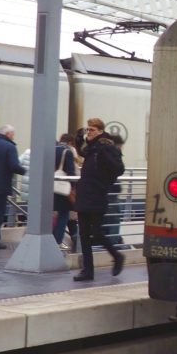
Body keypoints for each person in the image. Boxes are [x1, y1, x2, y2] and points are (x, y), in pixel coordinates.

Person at [73, 118, 125, 281]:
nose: (89, 133)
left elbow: (119, 168)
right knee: (84, 234)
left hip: (96, 195)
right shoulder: (91, 147)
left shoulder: (105, 147)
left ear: (100, 131)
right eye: (87, 129)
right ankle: (88, 271)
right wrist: (79, 136)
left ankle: (117, 256)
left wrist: (104, 182)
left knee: (96, 233)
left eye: (92, 130)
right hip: (85, 195)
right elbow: (82, 152)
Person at [52, 133, 78, 249]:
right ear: (70, 143)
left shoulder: (52, 149)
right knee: (64, 214)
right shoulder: (67, 152)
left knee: (53, 214)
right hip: (62, 188)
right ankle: (57, 241)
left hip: (51, 186)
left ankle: (51, 238)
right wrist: (72, 188)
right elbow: (71, 172)